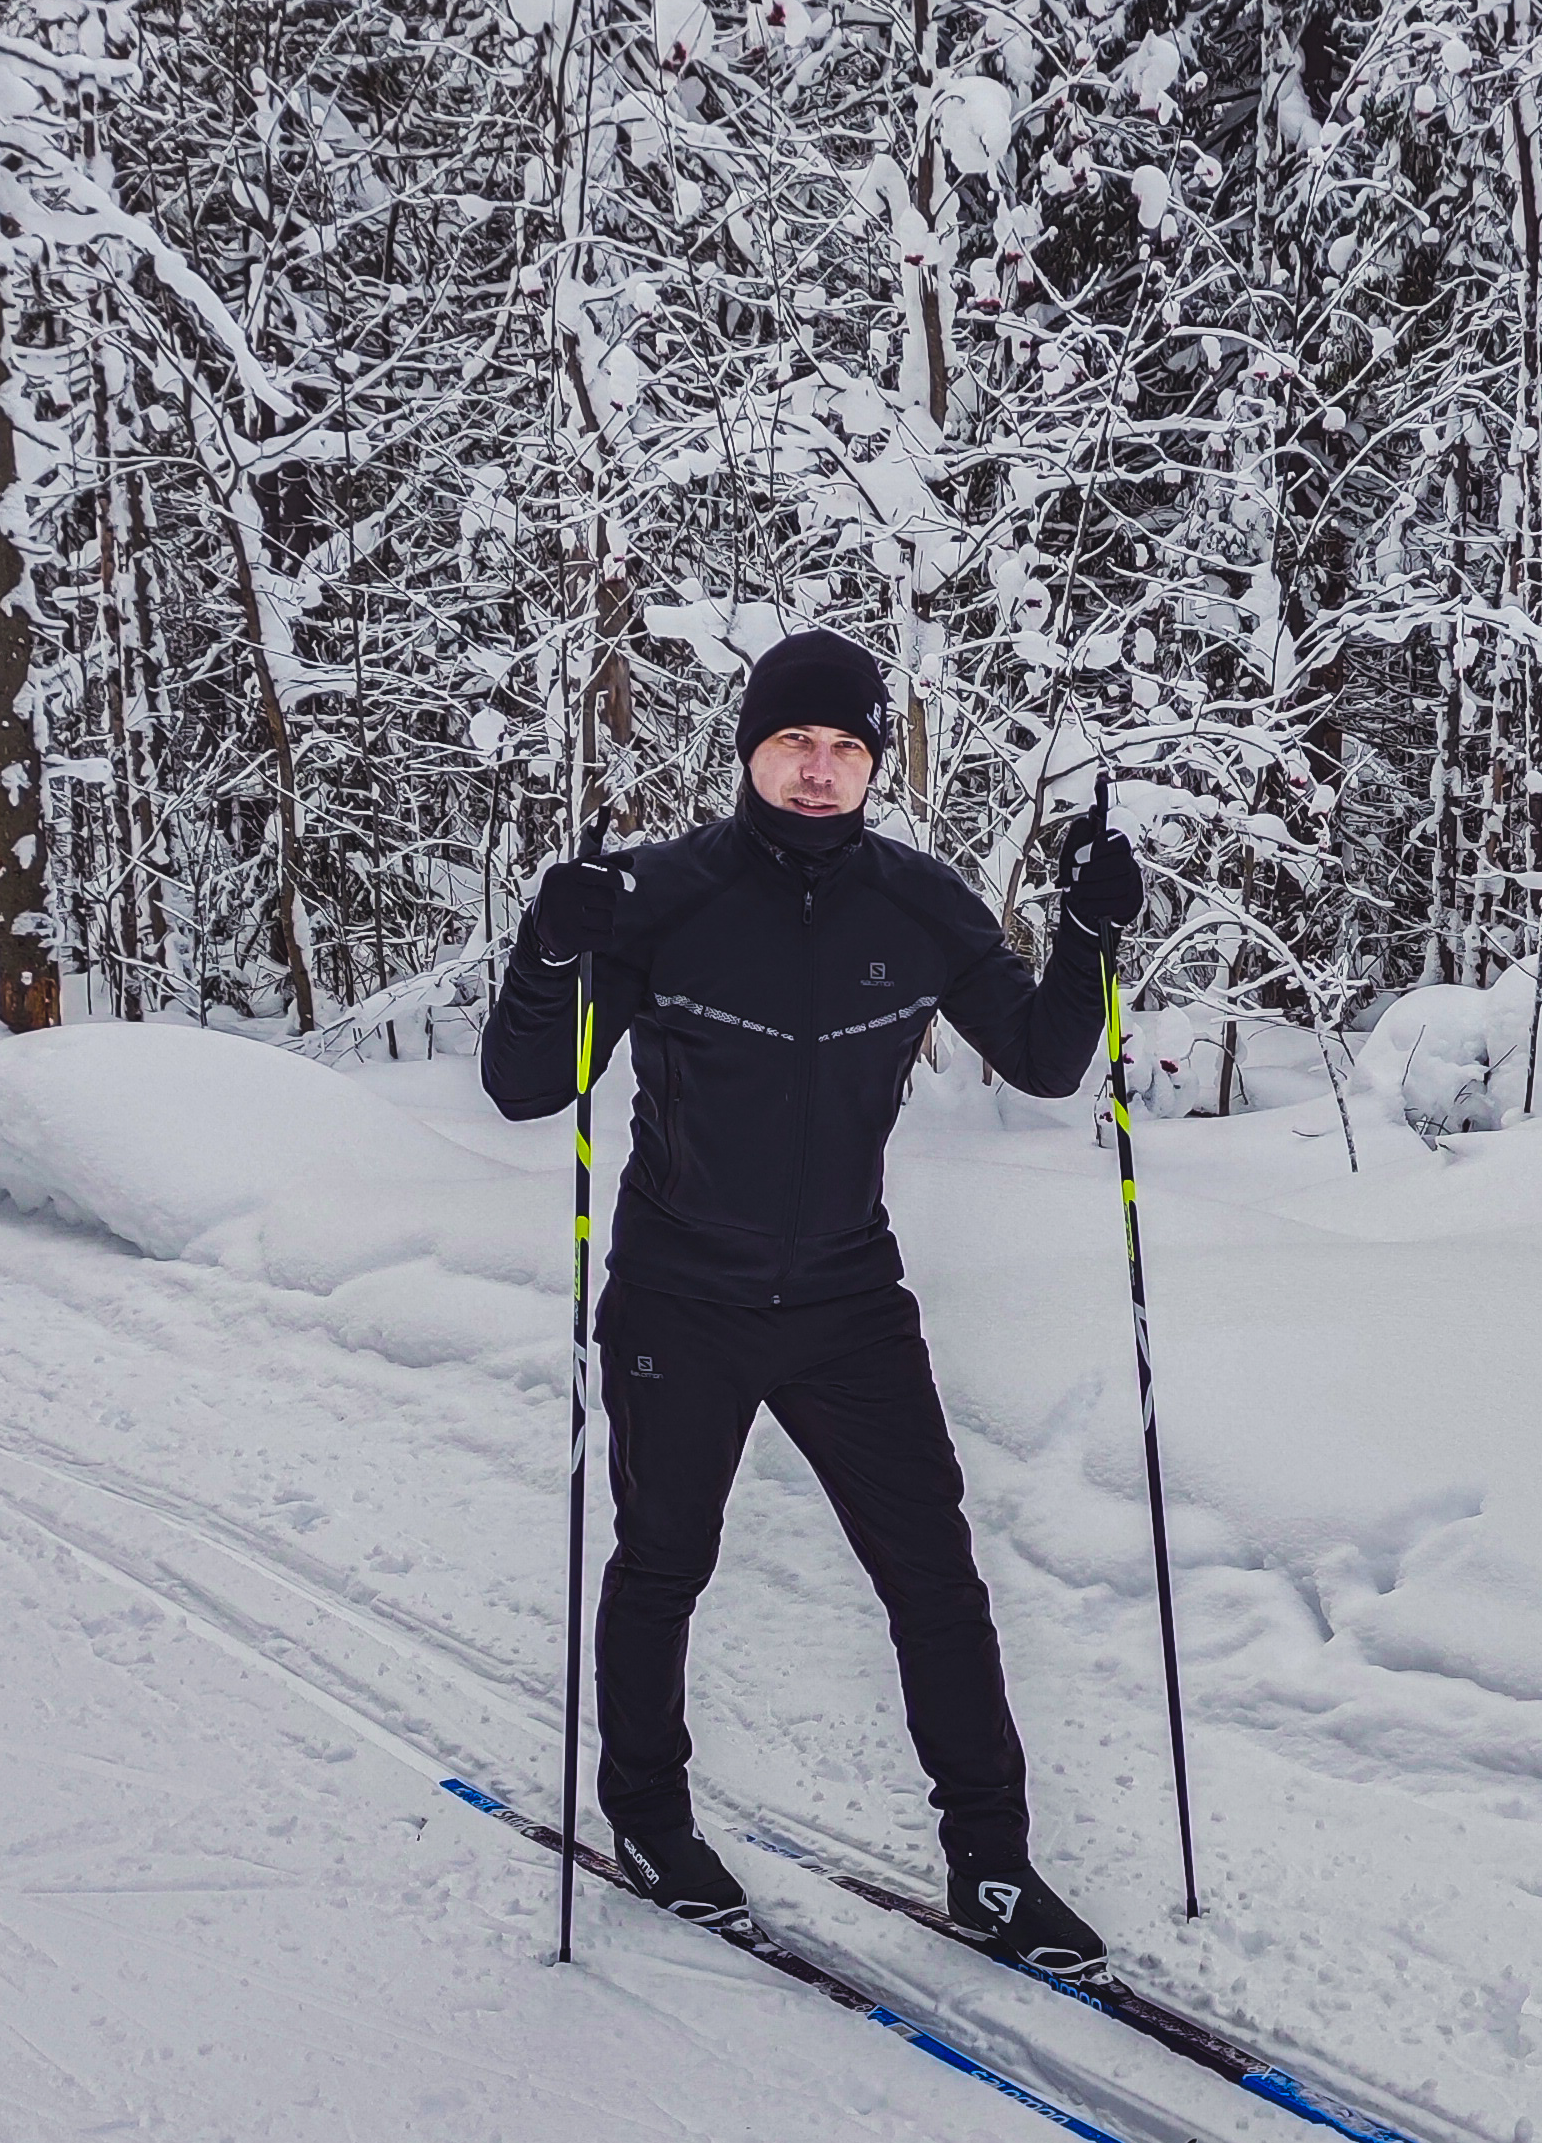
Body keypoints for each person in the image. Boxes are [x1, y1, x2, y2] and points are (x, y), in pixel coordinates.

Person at [480, 629, 1142, 1970]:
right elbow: (523, 1087)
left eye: (846, 747)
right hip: (682, 1293)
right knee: (665, 1561)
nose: (820, 770)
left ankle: (993, 1871)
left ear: (873, 760)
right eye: (795, 744)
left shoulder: (921, 904)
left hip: (846, 1292)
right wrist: (551, 952)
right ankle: (652, 1823)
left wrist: (1087, 934)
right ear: (749, 752)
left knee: (936, 1584)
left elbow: (1047, 1061)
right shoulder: (658, 899)